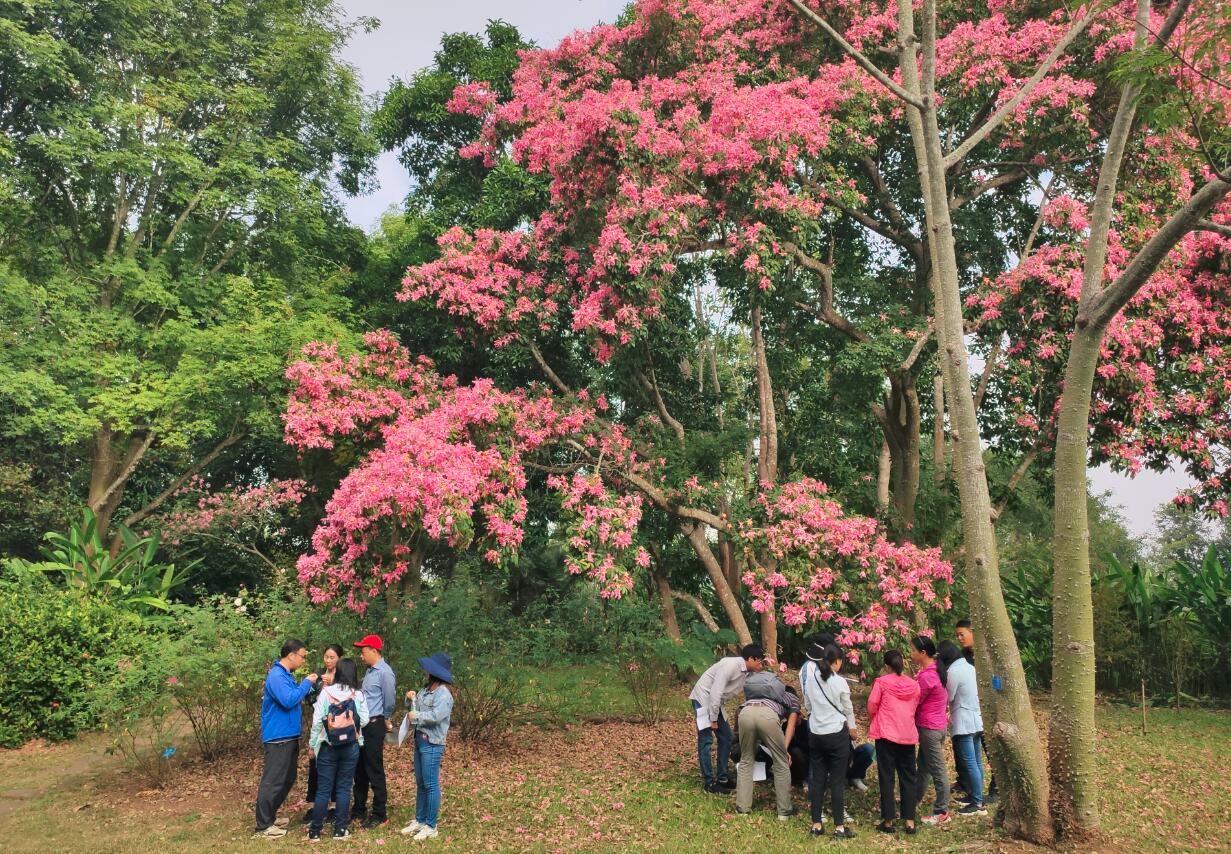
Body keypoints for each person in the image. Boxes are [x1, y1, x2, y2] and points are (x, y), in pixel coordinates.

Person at [254, 639, 319, 839]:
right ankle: (263, 826)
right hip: (278, 737)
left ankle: (270, 816)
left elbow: (294, 695)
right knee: (273, 781)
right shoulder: (276, 676)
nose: (302, 660)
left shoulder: (286, 676)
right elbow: (289, 700)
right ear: (291, 655)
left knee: (287, 778)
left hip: (289, 735)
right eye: (302, 656)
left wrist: (308, 688)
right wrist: (307, 682)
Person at [688, 644, 765, 794]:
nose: (761, 665)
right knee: (706, 740)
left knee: (727, 737)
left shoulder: (749, 673)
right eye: (759, 661)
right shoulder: (730, 666)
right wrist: (713, 719)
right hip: (703, 699)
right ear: (750, 659)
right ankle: (709, 782)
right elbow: (715, 692)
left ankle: (722, 777)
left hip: (716, 703)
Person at [307, 659, 369, 841]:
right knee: (344, 787)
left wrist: (312, 744)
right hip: (350, 746)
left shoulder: (326, 693)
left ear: (338, 672)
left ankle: (315, 831)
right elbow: (364, 720)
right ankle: (340, 830)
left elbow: (317, 721)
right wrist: (350, 725)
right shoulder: (357, 695)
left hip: (328, 746)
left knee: (323, 789)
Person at [801, 643, 856, 839]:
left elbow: (807, 705)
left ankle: (816, 824)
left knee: (817, 780)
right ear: (837, 661)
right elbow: (847, 708)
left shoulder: (811, 680)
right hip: (836, 735)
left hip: (816, 734)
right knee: (837, 781)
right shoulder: (840, 682)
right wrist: (853, 728)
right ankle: (839, 827)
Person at [399, 652, 455, 841]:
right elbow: (416, 708)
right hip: (419, 740)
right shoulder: (426, 689)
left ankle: (431, 825)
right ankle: (420, 820)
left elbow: (437, 716)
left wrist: (418, 717)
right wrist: (409, 698)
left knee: (430, 784)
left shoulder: (443, 694)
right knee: (421, 783)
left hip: (432, 743)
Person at [868, 649, 921, 835]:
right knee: (908, 778)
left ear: (886, 666)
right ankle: (910, 821)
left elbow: (872, 705)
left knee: (887, 777)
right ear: (903, 664)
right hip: (907, 735)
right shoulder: (914, 685)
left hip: (886, 735)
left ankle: (888, 820)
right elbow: (915, 705)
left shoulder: (881, 683)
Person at [734, 670, 798, 819]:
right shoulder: (792, 699)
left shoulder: (757, 694)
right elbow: (791, 725)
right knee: (781, 763)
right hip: (767, 716)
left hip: (745, 713)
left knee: (746, 759)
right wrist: (784, 750)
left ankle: (743, 808)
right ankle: (784, 810)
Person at [352, 634, 396, 829]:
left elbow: (390, 700)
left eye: (363, 652)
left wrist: (385, 717)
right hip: (362, 725)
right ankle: (359, 809)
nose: (361, 656)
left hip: (374, 724)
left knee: (373, 768)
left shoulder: (385, 673)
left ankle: (380, 813)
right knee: (359, 768)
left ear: (373, 651)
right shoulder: (370, 671)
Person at [940, 640, 988, 816]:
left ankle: (977, 803)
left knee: (970, 763)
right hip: (976, 719)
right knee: (976, 761)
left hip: (964, 721)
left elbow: (949, 696)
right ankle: (977, 796)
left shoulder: (953, 672)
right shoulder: (969, 667)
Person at [911, 636, 951, 825]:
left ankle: (942, 811)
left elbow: (915, 700)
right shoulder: (935, 669)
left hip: (930, 728)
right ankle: (914, 799)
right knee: (924, 767)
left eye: (913, 650)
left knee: (937, 769)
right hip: (937, 726)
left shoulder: (928, 676)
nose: (911, 654)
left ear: (923, 653)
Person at [302, 644, 344, 824]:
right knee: (316, 764)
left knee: (337, 765)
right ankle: (314, 806)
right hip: (319, 727)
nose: (328, 661)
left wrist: (332, 686)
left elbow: (348, 700)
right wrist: (320, 687)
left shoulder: (344, 676)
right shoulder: (318, 676)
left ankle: (334, 806)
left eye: (332, 657)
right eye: (326, 657)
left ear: (339, 659)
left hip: (338, 728)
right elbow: (308, 699)